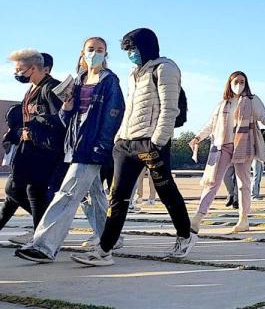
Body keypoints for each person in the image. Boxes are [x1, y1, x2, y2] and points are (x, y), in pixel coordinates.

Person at [70, 29, 197, 267]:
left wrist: (157, 141)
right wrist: (119, 138)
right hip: (125, 143)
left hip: (150, 141)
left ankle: (185, 235)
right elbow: (129, 109)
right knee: (117, 196)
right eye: (127, 49)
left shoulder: (165, 69)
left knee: (165, 190)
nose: (130, 54)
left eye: (133, 48)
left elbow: (170, 109)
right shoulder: (133, 73)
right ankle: (104, 250)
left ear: (146, 46)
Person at [16, 38, 125, 264]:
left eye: (100, 50)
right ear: (83, 53)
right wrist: (66, 107)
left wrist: (101, 145)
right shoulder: (78, 80)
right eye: (91, 49)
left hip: (91, 146)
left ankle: (44, 246)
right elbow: (67, 118)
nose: (95, 53)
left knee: (67, 194)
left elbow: (113, 115)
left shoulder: (109, 81)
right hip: (74, 144)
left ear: (106, 54)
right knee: (92, 197)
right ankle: (109, 240)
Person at [188, 71, 265, 234]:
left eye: (242, 81)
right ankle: (198, 217)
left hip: (243, 145)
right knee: (212, 182)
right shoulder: (223, 104)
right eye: (236, 81)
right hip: (223, 146)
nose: (239, 84)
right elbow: (211, 125)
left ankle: (243, 219)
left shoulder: (252, 100)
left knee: (244, 184)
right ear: (230, 83)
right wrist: (197, 138)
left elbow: (263, 115)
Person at [1, 50, 66, 244]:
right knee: (18, 192)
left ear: (33, 68)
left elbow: (62, 120)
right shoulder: (32, 89)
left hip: (44, 152)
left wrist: (36, 122)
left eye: (20, 69)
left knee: (31, 192)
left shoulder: (51, 88)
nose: (17, 73)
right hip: (28, 150)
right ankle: (44, 233)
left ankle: (45, 234)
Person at [252, 129, 265, 200]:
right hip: (256, 159)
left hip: (261, 160)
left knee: (258, 178)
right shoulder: (257, 141)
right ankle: (253, 195)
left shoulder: (263, 142)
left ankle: (256, 194)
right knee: (256, 177)